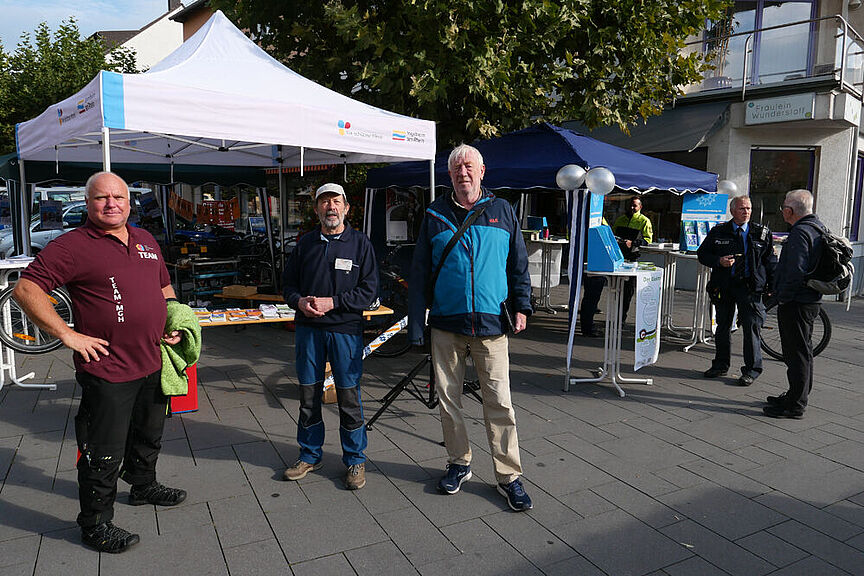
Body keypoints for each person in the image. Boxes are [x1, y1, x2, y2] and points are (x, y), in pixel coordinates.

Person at [13, 171, 186, 554]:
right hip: (107, 369)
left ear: (129, 202)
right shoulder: (73, 246)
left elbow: (164, 287)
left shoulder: (144, 239)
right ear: (88, 203)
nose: (111, 204)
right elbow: (26, 289)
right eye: (101, 198)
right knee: (103, 448)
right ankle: (95, 524)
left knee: (148, 433)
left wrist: (173, 320)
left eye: (118, 197)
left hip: (153, 361)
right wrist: (67, 335)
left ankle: (143, 486)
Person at [408, 144, 534, 511]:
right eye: (456, 167)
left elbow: (518, 265)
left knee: (500, 402)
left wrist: (523, 306)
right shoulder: (434, 214)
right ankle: (459, 462)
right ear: (449, 175)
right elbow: (419, 274)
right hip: (447, 323)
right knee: (449, 400)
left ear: (482, 171)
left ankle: (509, 475)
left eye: (469, 166)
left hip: (493, 324)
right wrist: (418, 324)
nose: (463, 172)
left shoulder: (502, 211)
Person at [282, 182, 377, 489]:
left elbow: (369, 291)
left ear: (347, 208)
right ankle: (310, 455)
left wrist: (334, 302)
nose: (331, 207)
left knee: (349, 398)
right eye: (324, 202)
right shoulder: (306, 243)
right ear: (317, 209)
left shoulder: (360, 244)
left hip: (345, 332)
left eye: (336, 202)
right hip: (309, 332)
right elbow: (288, 286)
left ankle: (355, 460)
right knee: (308, 396)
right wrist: (299, 302)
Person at [698, 195, 776, 386]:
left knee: (751, 328)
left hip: (750, 287)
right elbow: (703, 254)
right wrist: (719, 261)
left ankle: (751, 370)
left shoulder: (761, 233)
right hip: (724, 285)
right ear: (733, 211)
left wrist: (773, 286)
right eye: (742, 209)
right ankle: (720, 365)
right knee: (723, 327)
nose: (746, 212)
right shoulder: (719, 232)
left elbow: (770, 261)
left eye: (749, 208)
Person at [764, 189, 823, 419]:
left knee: (796, 354)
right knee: (804, 352)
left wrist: (782, 297)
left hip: (797, 302)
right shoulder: (817, 227)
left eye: (783, 207)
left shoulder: (800, 233)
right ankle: (796, 395)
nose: (782, 211)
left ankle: (796, 404)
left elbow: (795, 272)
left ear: (789, 211)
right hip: (809, 300)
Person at [613, 196, 653, 321]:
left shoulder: (644, 221)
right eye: (631, 205)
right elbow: (613, 235)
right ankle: (615, 316)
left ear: (640, 207)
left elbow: (648, 240)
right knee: (616, 289)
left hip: (632, 259)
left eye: (635, 205)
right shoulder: (621, 219)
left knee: (627, 290)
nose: (632, 208)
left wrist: (634, 243)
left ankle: (622, 318)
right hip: (618, 257)